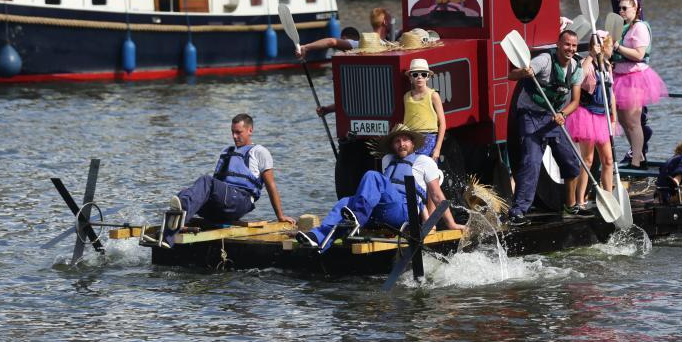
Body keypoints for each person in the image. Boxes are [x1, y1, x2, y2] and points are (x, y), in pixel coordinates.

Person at [296, 124, 462, 249]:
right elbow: (378, 192)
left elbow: (437, 195)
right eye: (397, 141)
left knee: (372, 176)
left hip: (405, 210)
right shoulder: (387, 160)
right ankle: (317, 238)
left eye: (405, 140)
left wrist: (451, 224)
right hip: (382, 212)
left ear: (413, 143)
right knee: (345, 201)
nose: (401, 144)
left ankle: (357, 219)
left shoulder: (424, 161)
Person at [157, 114, 295, 247]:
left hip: (240, 201)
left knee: (205, 180)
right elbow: (214, 188)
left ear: (250, 130)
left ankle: (175, 226)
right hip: (221, 206)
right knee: (185, 193)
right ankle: (168, 231)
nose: (235, 136)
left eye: (238, 132)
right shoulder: (226, 152)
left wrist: (280, 216)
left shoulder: (259, 152)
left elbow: (271, 185)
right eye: (232, 132)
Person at [506, 29, 586, 226]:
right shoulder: (543, 60)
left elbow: (575, 101)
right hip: (530, 116)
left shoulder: (576, 67)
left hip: (554, 118)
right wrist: (524, 72)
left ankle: (570, 205)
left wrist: (563, 114)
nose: (570, 49)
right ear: (558, 44)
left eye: (574, 46)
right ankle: (518, 211)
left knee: (571, 163)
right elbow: (511, 75)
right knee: (531, 162)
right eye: (567, 44)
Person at [612, 0, 668, 169]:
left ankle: (637, 162)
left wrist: (618, 47)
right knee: (622, 119)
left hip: (635, 78)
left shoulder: (640, 28)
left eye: (624, 8)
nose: (621, 11)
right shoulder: (622, 27)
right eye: (619, 8)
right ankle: (638, 154)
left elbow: (639, 54)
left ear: (635, 9)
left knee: (633, 121)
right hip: (619, 77)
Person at [565, 32, 617, 208]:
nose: (610, 49)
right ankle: (580, 200)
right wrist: (591, 56)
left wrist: (614, 116)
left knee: (608, 160)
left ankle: (608, 198)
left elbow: (612, 94)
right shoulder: (585, 63)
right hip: (587, 115)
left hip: (603, 116)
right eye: (607, 46)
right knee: (587, 159)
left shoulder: (607, 66)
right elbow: (579, 77)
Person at [401, 58, 446, 161]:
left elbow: (442, 123)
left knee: (427, 171)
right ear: (410, 78)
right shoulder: (406, 97)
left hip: (429, 138)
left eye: (423, 74)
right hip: (410, 139)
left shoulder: (433, 95)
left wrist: (437, 148)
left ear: (428, 78)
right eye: (415, 75)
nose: (419, 77)